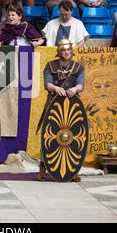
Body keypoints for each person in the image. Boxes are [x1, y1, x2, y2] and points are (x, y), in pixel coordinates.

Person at [37, 38, 84, 182]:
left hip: (72, 106)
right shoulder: (50, 66)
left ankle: (73, 170)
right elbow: (47, 84)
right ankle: (43, 169)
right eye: (63, 50)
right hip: (54, 104)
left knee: (73, 135)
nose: (66, 52)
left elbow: (81, 84)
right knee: (49, 135)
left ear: (71, 50)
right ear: (59, 52)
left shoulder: (78, 67)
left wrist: (74, 89)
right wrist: (55, 88)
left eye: (68, 49)